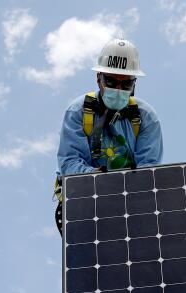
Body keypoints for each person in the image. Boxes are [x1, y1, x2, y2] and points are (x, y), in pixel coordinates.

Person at [54, 38, 164, 232]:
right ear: (99, 78)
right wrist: (95, 179)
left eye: (126, 84)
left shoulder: (146, 118)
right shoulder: (78, 112)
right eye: (111, 81)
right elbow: (69, 162)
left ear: (134, 85)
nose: (118, 89)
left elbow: (149, 171)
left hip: (131, 207)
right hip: (85, 203)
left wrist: (123, 184)